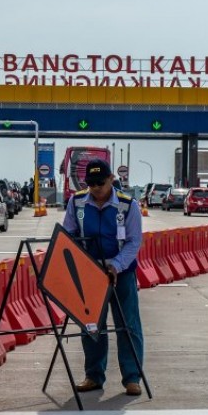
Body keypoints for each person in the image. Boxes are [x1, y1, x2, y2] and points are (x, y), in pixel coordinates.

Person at [61, 159, 145, 396]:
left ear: (111, 180)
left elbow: (133, 242)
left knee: (128, 325)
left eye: (100, 182)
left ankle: (132, 377)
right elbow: (68, 234)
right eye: (91, 183)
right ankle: (93, 375)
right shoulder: (77, 202)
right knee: (92, 326)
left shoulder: (128, 206)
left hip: (122, 273)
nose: (96, 188)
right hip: (89, 274)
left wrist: (115, 266)